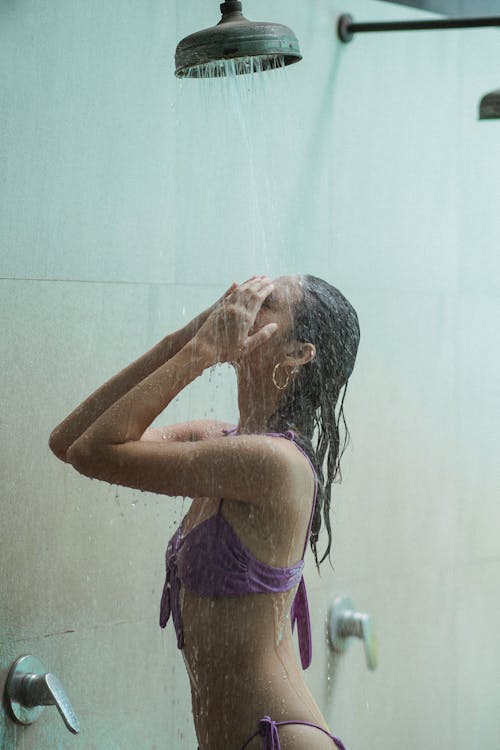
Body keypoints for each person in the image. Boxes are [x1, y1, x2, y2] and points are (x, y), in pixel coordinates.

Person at [49, 274, 360, 750]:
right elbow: (71, 442)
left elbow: (97, 453)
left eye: (266, 302)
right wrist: (187, 339)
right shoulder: (221, 443)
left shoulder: (275, 464)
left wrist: (201, 354)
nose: (241, 304)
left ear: (298, 353)